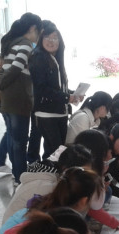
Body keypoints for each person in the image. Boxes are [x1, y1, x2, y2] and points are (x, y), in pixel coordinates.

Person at [0, 14, 43, 184]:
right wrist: (1, 83)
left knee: (13, 138)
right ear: (33, 28)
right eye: (39, 32)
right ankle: (21, 177)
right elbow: (16, 68)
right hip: (19, 99)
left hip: (8, 99)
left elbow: (4, 68)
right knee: (20, 141)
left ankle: (17, 173)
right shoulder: (25, 44)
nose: (38, 37)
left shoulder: (12, 43)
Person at [2, 144, 92, 224]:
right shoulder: (47, 188)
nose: (85, 177)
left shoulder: (52, 177)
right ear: (66, 169)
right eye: (82, 172)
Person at [29, 23, 79, 160]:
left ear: (60, 41)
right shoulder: (39, 57)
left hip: (59, 112)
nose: (51, 41)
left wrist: (72, 94)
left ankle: (49, 173)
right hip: (46, 113)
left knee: (55, 152)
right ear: (41, 39)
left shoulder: (54, 59)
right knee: (56, 152)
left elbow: (57, 87)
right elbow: (41, 89)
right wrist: (66, 97)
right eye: (47, 37)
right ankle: (45, 173)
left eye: (55, 38)